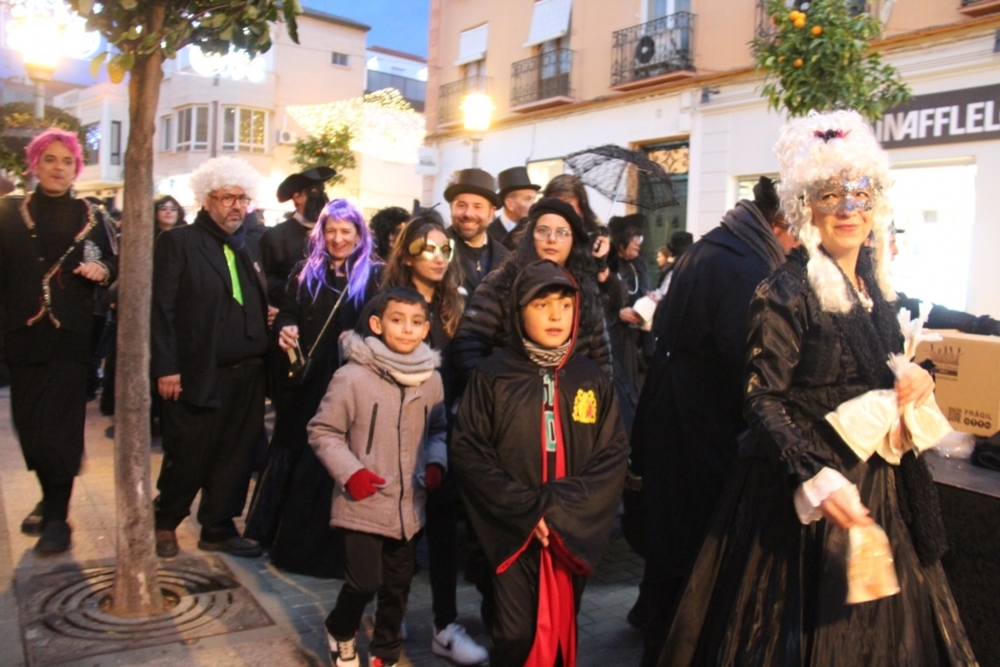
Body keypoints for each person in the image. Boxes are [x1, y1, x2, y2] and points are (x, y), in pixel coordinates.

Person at [659, 110, 977, 666]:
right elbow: (762, 399)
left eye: (860, 193)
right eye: (832, 195)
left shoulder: (875, 284)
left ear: (877, 203)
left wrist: (912, 375)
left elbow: (880, 359)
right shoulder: (784, 289)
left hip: (880, 485)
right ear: (808, 207)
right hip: (803, 498)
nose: (849, 209)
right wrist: (816, 476)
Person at [629, 174, 794, 662]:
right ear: (780, 222)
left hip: (675, 414)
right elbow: (745, 360)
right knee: (690, 561)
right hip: (701, 429)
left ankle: (653, 624)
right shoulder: (747, 265)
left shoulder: (718, 244)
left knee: (669, 553)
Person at [451, 259, 628, 667]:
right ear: (518, 311)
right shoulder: (493, 376)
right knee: (514, 634)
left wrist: (560, 509)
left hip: (569, 531)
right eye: (541, 304)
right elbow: (469, 450)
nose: (555, 315)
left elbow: (611, 455)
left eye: (565, 306)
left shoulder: (591, 378)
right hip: (512, 530)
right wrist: (528, 509)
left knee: (565, 622)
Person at [308, 286, 447, 667]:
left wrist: (435, 463)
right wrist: (351, 473)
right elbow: (323, 431)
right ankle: (340, 629)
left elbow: (438, 429)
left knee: (398, 585)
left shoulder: (431, 379)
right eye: (397, 320)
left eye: (416, 322)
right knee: (363, 582)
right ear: (377, 324)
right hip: (364, 501)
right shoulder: (352, 376)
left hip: (409, 503)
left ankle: (385, 650)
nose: (407, 329)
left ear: (426, 328)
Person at [244, 198, 382, 577]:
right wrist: (284, 327)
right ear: (320, 233)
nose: (338, 239)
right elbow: (287, 310)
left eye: (345, 231)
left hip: (352, 381)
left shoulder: (375, 275)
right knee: (294, 450)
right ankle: (276, 535)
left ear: (359, 233)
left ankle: (337, 548)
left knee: (339, 456)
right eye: (331, 231)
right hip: (305, 383)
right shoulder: (306, 271)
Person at [0, 128, 118, 554]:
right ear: (35, 163)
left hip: (71, 335)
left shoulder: (92, 216)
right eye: (49, 159)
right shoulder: (9, 213)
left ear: (76, 168)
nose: (58, 168)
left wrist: (101, 271)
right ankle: (49, 494)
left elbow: (110, 261)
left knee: (61, 428)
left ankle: (57, 517)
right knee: (30, 428)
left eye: (66, 161)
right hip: (22, 334)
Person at [380, 217, 489, 665]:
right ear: (407, 255)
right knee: (396, 536)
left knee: (443, 532)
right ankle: (390, 617)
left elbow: (460, 366)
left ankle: (445, 626)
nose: (440, 258)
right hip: (393, 436)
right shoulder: (385, 306)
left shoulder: (452, 307)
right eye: (429, 249)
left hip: (442, 435)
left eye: (446, 250)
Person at [151, 156, 268, 559]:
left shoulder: (248, 245)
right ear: (206, 199)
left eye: (242, 198)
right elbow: (161, 309)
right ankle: (165, 520)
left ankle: (218, 526)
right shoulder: (178, 242)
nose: (236, 206)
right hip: (200, 372)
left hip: (249, 374)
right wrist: (167, 367)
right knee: (188, 454)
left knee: (236, 456)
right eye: (226, 198)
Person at [452, 198, 613, 391]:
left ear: (573, 241)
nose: (551, 239)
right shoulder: (500, 282)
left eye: (562, 233)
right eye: (543, 231)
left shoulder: (585, 289)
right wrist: (496, 395)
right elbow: (468, 347)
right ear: (530, 236)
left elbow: (601, 363)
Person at [260, 166, 335, 305]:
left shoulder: (332, 233)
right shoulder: (275, 236)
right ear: (297, 197)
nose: (322, 198)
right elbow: (265, 279)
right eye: (314, 192)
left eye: (322, 191)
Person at [605, 213, 650, 432]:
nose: (638, 243)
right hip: (611, 335)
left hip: (633, 335)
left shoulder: (640, 265)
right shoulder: (608, 263)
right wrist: (616, 312)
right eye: (635, 237)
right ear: (623, 238)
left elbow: (643, 293)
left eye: (640, 238)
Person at [444, 168, 509, 294]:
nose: (468, 213)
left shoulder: (506, 258)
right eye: (461, 205)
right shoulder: (435, 251)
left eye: (477, 207)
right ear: (451, 208)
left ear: (491, 213)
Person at [488, 166, 540, 250]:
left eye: (534, 199)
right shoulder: (489, 234)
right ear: (510, 204)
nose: (533, 204)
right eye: (528, 198)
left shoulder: (535, 231)